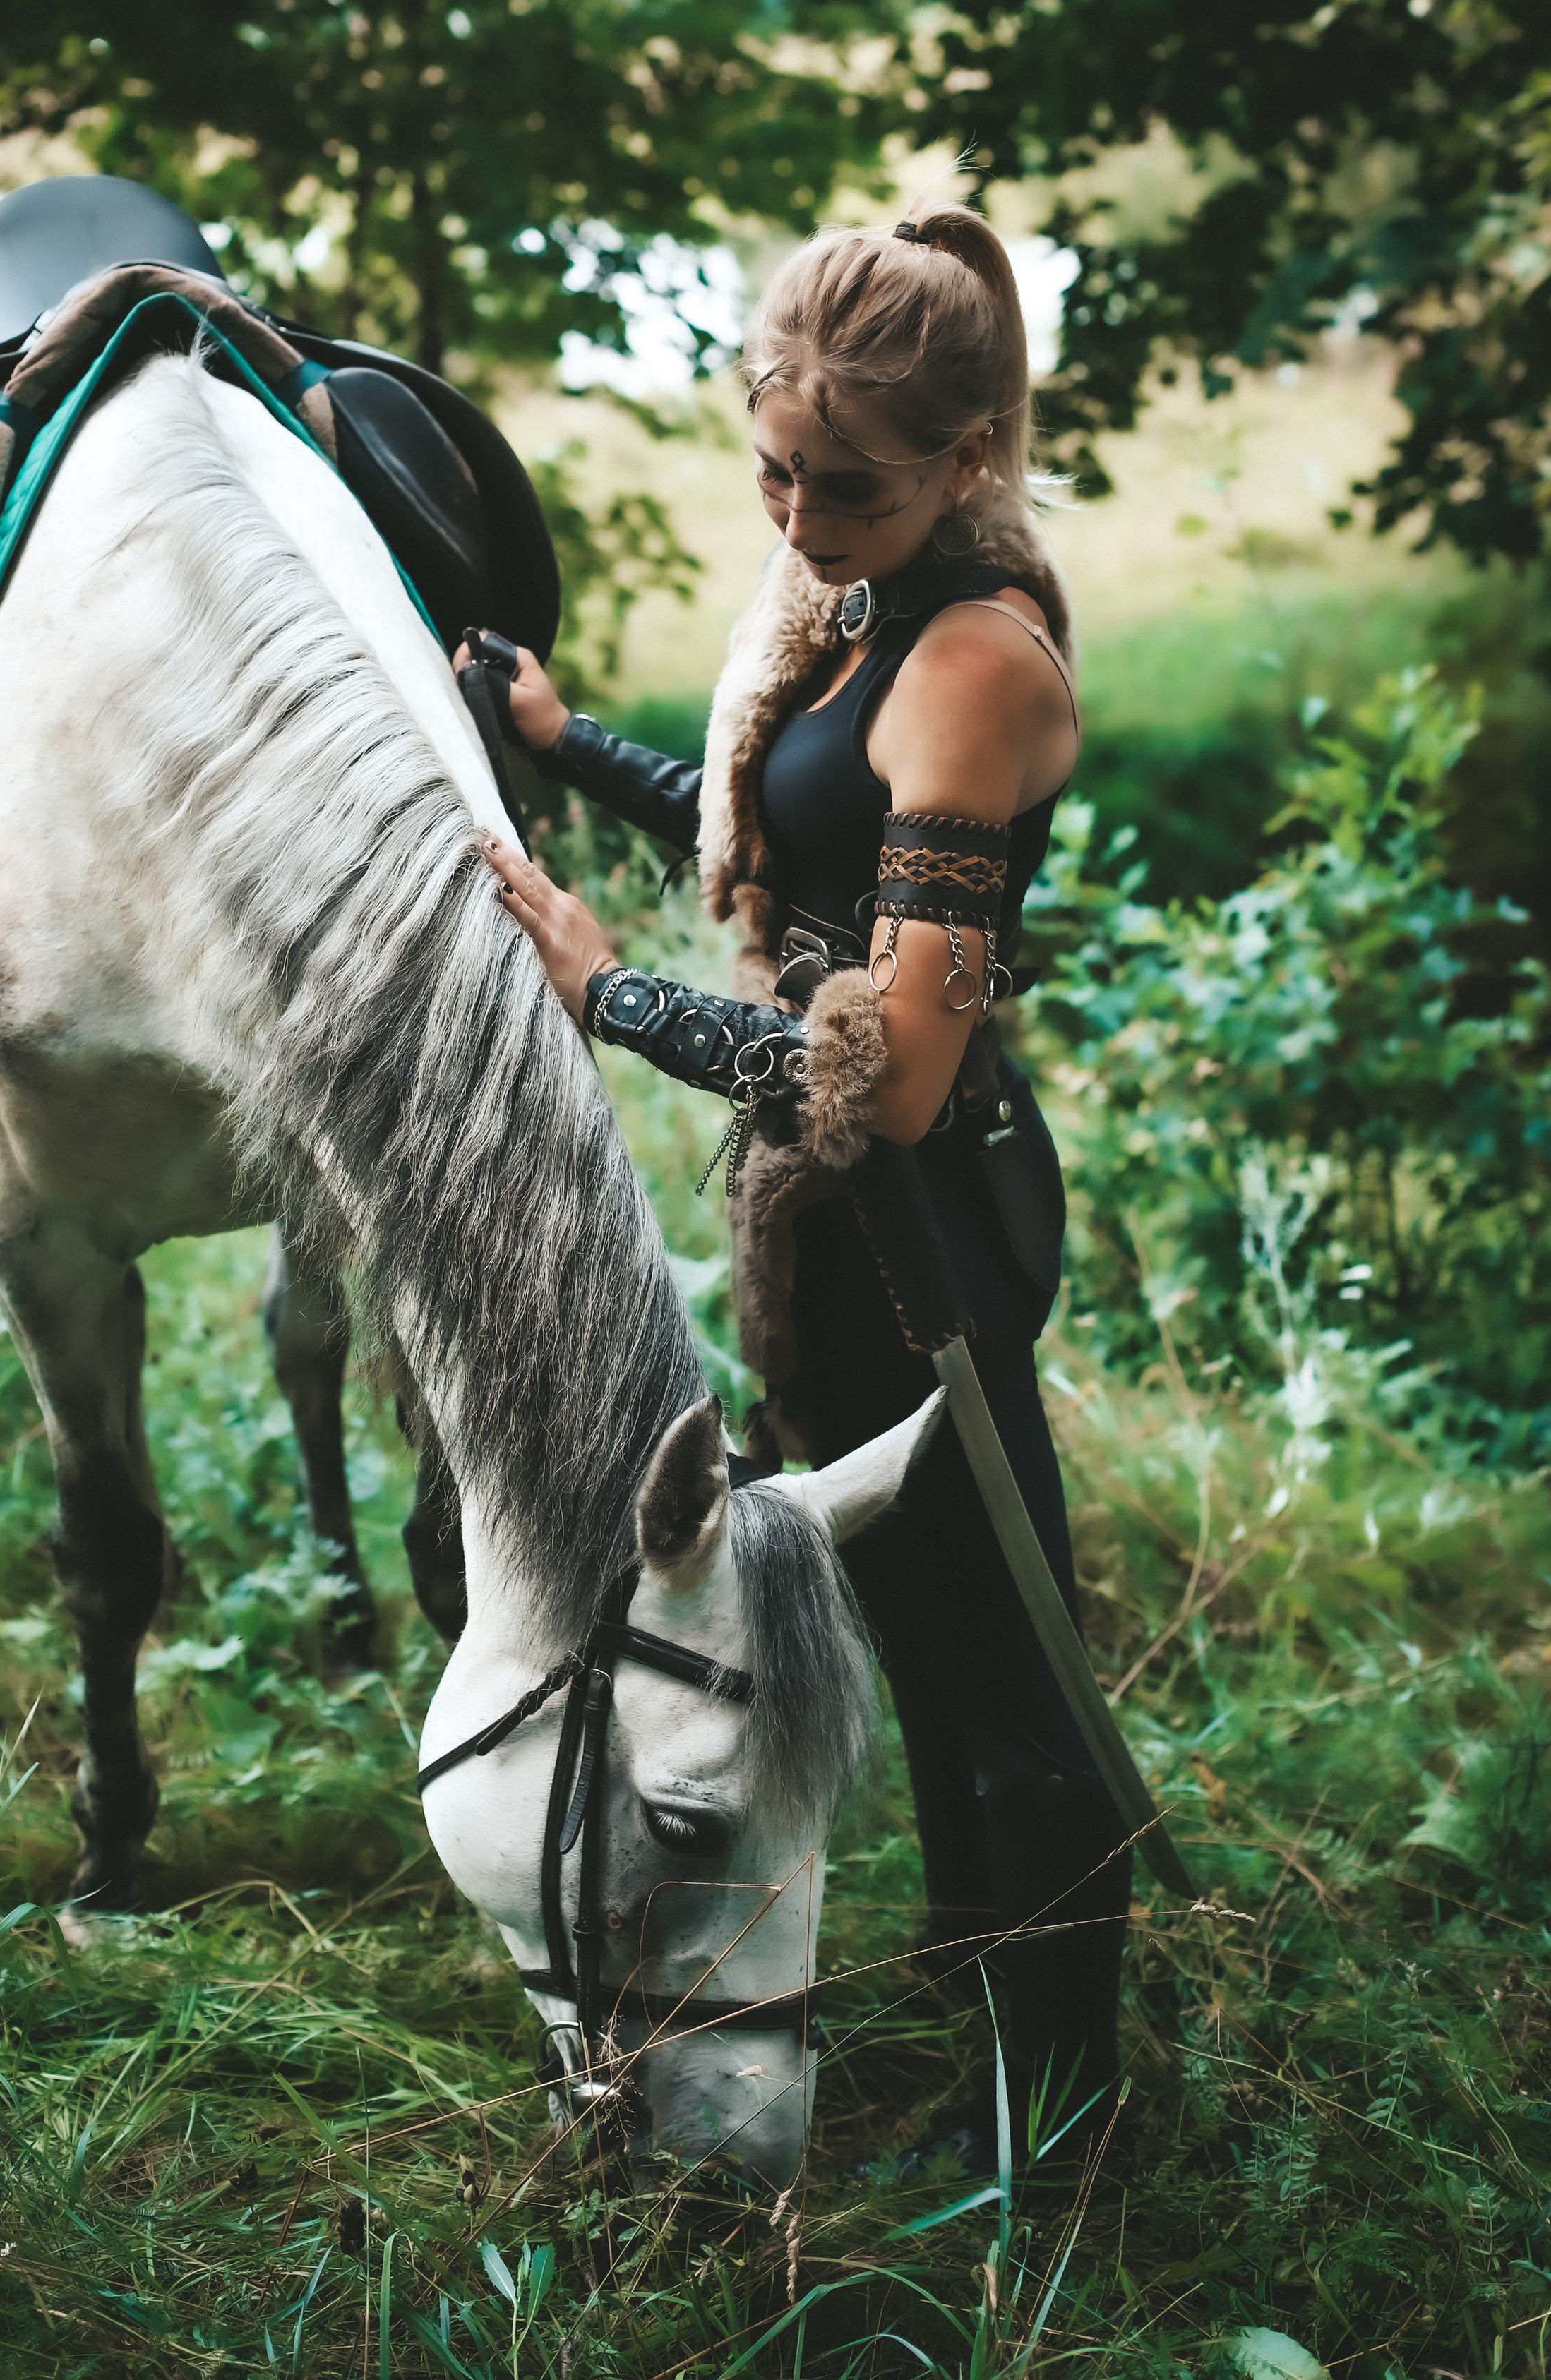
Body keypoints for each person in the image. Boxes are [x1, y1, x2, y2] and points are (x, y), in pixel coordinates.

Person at [460, 205, 1131, 2168]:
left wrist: (613, 989)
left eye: (842, 483)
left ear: (965, 463)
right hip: (823, 1236)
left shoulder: (982, 666)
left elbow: (898, 1079)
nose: (798, 510)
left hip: (925, 1229)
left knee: (1012, 1684)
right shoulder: (859, 602)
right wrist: (576, 747)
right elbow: (794, 835)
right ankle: (965, 1985)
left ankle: (1068, 2130)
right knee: (901, 1634)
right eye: (772, 467)